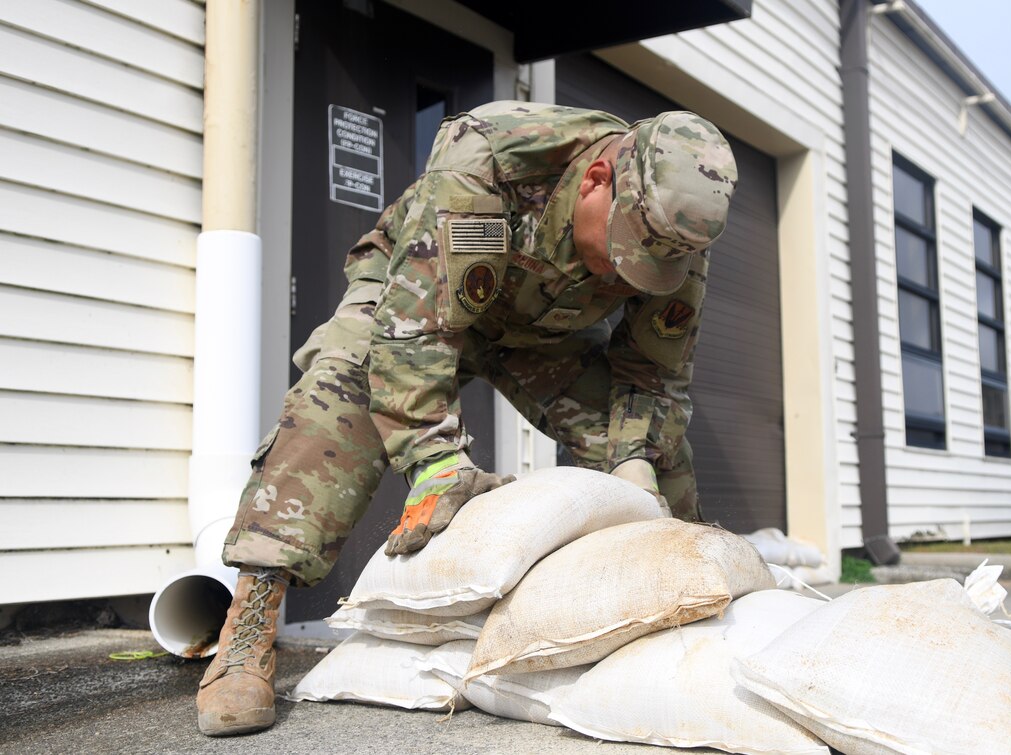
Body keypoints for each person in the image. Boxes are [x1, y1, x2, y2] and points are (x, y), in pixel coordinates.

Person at [196, 101, 738, 736]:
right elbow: (415, 334)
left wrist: (636, 466)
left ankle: (697, 611)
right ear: (597, 179)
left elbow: (654, 374)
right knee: (339, 398)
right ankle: (249, 626)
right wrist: (434, 462)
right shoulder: (492, 159)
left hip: (539, 335)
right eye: (620, 249)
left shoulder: (679, 230)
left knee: (656, 451)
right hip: (411, 298)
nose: (625, 273)